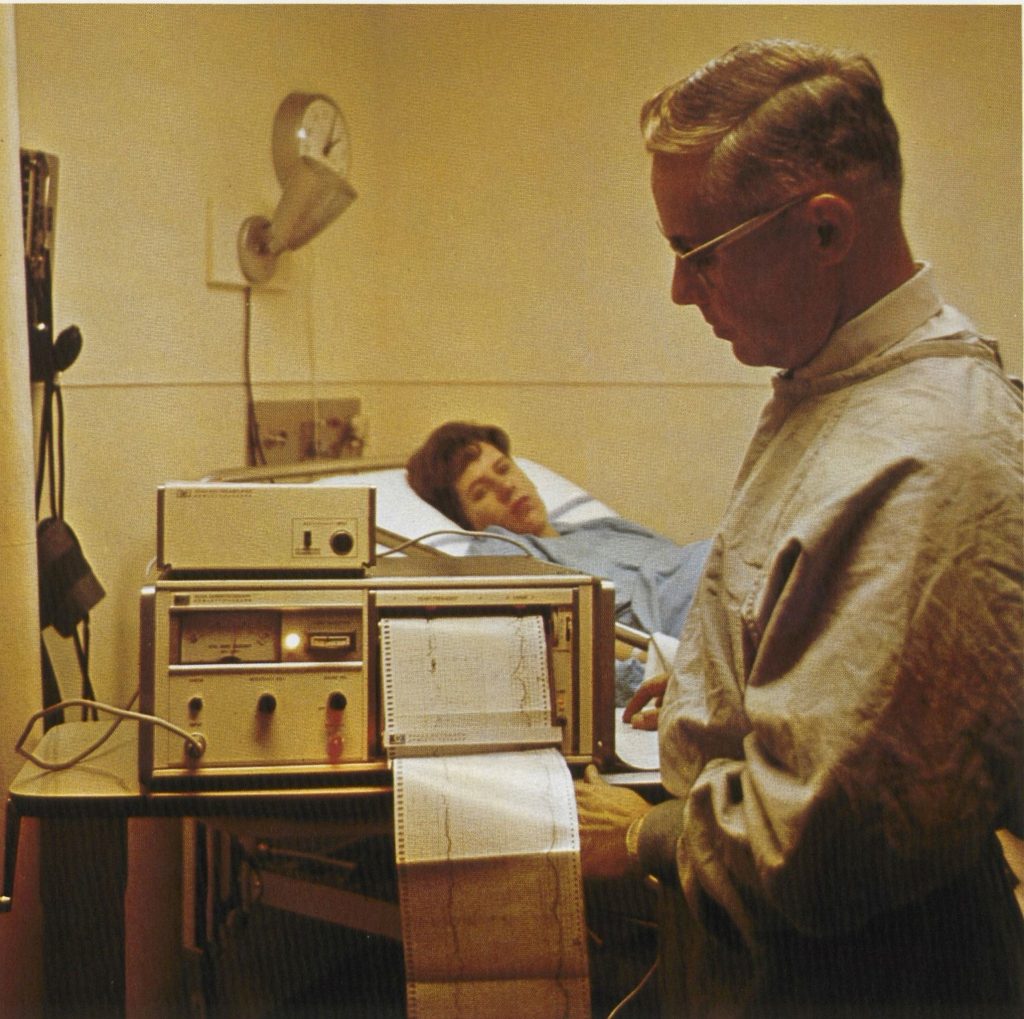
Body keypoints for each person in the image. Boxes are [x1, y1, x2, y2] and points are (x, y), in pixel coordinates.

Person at [574, 38, 1024, 1018]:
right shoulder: (836, 387)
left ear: (824, 230)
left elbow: (831, 842)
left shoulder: (930, 454)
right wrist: (719, 670)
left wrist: (644, 837)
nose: (681, 292)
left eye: (697, 253)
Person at [406, 420, 712, 710]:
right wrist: (662, 673)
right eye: (481, 492)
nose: (506, 487)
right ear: (465, 519)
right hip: (704, 619)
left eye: (504, 469)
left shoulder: (602, 528)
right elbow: (553, 649)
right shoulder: (498, 551)